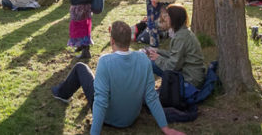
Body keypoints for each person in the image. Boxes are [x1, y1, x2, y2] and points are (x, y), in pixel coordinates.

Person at [51, 20, 184, 135]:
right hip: (131, 117)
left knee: (81, 67)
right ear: (130, 40)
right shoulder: (143, 59)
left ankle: (61, 93)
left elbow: (100, 102)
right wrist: (165, 128)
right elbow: (151, 96)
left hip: (109, 118)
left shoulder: (105, 62)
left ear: (112, 41)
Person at [144, 5, 206, 103]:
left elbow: (172, 66)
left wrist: (157, 58)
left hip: (190, 79)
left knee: (149, 63)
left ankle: (148, 93)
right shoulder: (183, 33)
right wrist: (157, 52)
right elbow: (174, 55)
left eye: (168, 16)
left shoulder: (181, 37)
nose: (166, 19)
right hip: (191, 74)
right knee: (151, 61)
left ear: (174, 19)